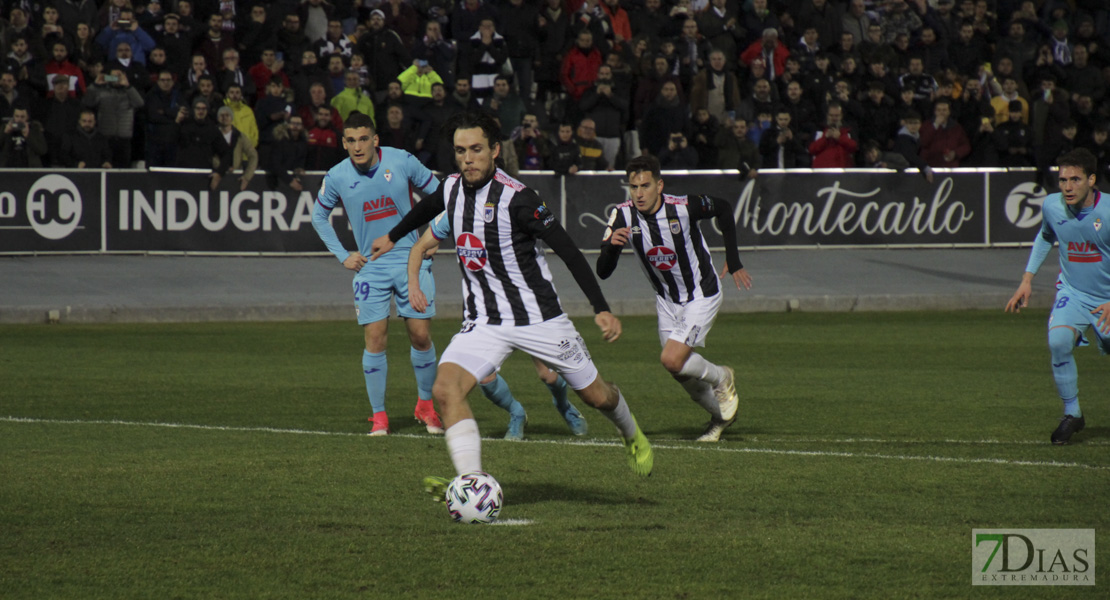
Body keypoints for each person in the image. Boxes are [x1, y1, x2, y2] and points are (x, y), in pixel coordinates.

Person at [370, 111, 654, 493]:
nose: (467, 158)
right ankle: (472, 484)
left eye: (475, 150)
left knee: (596, 396)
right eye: (460, 151)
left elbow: (568, 250)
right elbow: (427, 208)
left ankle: (630, 431)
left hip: (540, 319)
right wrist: (391, 236)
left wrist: (600, 307)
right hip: (484, 321)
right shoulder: (452, 188)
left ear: (495, 151)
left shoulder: (519, 200)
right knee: (445, 389)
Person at [595, 154, 747, 442]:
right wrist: (611, 250)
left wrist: (733, 259)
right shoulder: (622, 215)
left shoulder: (684, 207)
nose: (639, 194)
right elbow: (603, 272)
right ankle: (720, 417)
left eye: (645, 186)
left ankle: (722, 377)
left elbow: (724, 208)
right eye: (633, 187)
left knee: (672, 359)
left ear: (659, 185)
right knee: (679, 372)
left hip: (701, 293)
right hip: (666, 301)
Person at [311, 111, 445, 436]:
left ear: (375, 140)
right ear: (344, 143)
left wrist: (434, 236)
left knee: (421, 335)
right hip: (371, 266)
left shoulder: (402, 161)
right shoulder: (338, 176)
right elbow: (318, 217)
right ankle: (380, 417)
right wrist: (343, 255)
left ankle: (425, 406)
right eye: (351, 141)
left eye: (363, 139)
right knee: (375, 340)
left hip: (410, 259)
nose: (358, 147)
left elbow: (444, 197)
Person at [1005, 148, 1110, 445]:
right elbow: (1045, 236)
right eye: (1062, 179)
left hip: (1107, 299)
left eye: (1075, 179)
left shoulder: (1109, 213)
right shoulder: (1052, 206)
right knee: (1058, 341)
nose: (1067, 186)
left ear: (1092, 180)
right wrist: (1027, 279)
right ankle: (1072, 414)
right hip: (1073, 293)